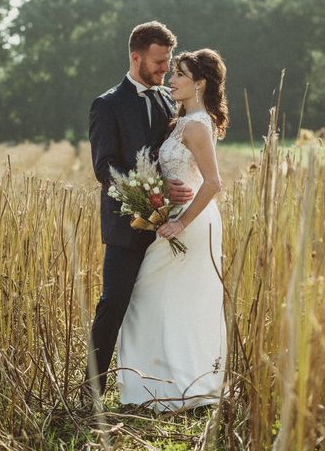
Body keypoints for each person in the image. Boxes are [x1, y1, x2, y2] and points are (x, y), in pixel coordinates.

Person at [116, 48, 228, 412]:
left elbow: (213, 183)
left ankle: (183, 384)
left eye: (179, 74)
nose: (172, 80)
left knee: (170, 298)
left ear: (199, 83)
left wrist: (180, 221)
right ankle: (156, 383)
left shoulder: (197, 125)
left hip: (191, 223)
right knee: (159, 298)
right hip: (172, 217)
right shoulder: (183, 120)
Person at [86, 21, 193, 399]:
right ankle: (93, 390)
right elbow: (105, 168)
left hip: (172, 225)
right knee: (114, 301)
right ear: (136, 57)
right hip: (125, 225)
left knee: (164, 304)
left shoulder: (170, 101)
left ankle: (160, 384)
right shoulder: (108, 104)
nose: (166, 69)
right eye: (159, 62)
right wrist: (150, 194)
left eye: (168, 62)